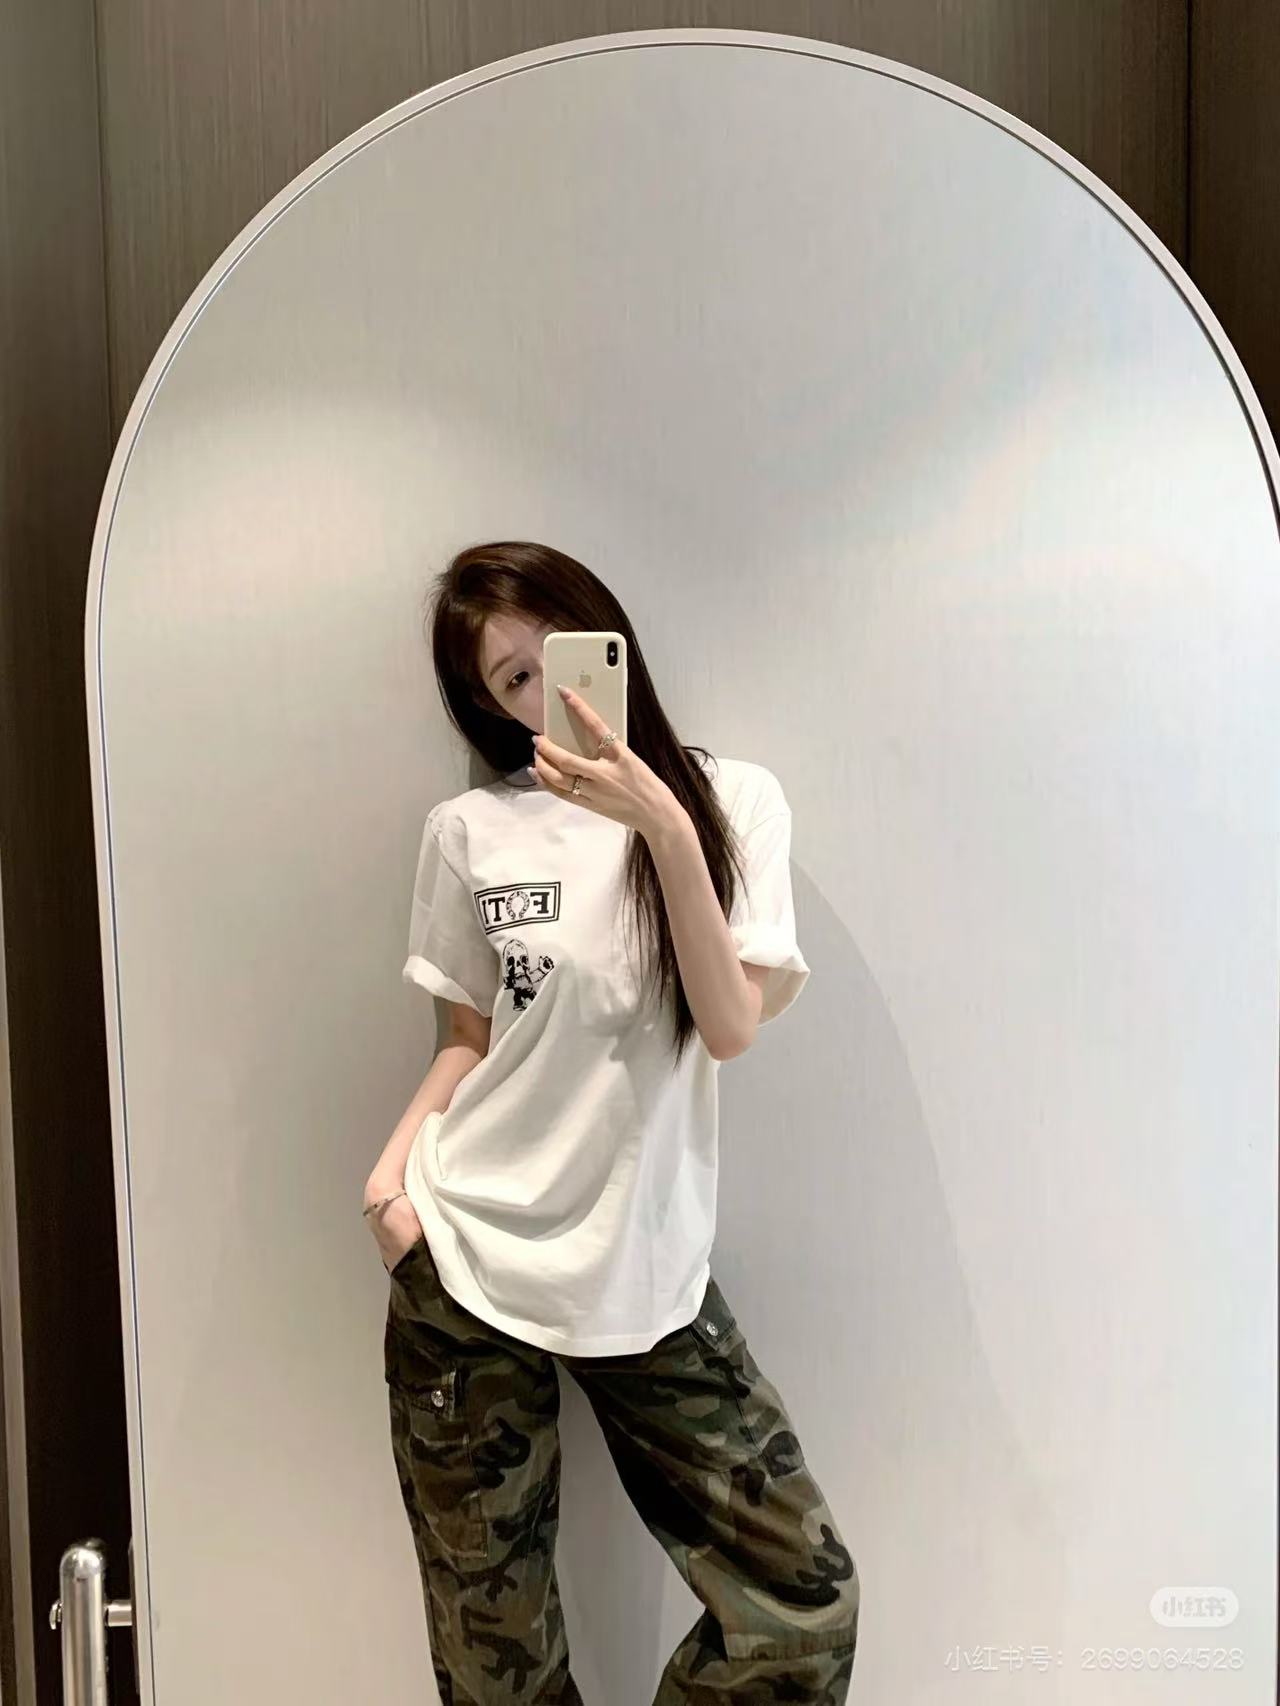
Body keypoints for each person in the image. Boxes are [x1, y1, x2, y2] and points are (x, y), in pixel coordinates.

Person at [363, 541, 859, 1702]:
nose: (548, 690)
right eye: (512, 678)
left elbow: (728, 1024)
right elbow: (465, 1039)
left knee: (799, 1604)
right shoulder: (468, 828)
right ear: (488, 706)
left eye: (560, 650)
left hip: (642, 1271)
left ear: (608, 632)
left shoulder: (731, 799)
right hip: (462, 1257)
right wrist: (387, 1186)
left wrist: (662, 826)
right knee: (496, 1665)